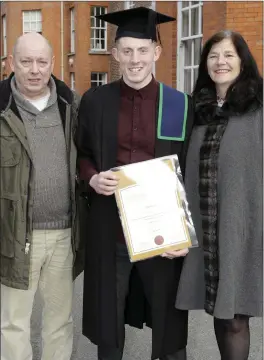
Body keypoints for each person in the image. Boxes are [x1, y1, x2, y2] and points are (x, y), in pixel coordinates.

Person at [77, 6, 194, 360]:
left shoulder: (179, 105)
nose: (135, 59)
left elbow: (189, 174)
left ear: (156, 53)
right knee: (109, 332)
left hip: (161, 236)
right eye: (126, 50)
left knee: (169, 331)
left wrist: (185, 234)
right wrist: (93, 177)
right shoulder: (95, 102)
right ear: (115, 54)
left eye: (143, 50)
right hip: (110, 232)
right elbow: (82, 155)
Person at [175, 30, 263, 360]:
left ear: (242, 61)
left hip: (245, 230)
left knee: (237, 319)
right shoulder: (197, 111)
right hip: (208, 231)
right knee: (221, 313)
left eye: (228, 55)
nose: (220, 62)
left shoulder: (259, 107)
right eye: (213, 56)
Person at [0, 32, 82, 360]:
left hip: (64, 234)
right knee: (13, 323)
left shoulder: (71, 106)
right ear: (10, 63)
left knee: (60, 322)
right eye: (26, 61)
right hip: (15, 235)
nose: (35, 69)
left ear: (52, 64)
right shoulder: (2, 109)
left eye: (42, 62)